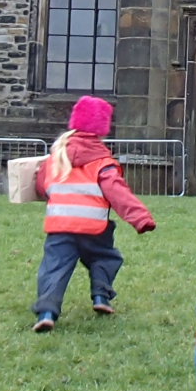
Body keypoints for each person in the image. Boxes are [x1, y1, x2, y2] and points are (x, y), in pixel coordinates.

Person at [32, 95, 156, 332]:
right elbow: (118, 193)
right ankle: (101, 297)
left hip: (59, 226)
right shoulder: (102, 161)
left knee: (54, 267)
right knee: (106, 258)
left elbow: (42, 186)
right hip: (94, 228)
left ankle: (47, 313)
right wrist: (141, 219)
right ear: (101, 130)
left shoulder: (55, 157)